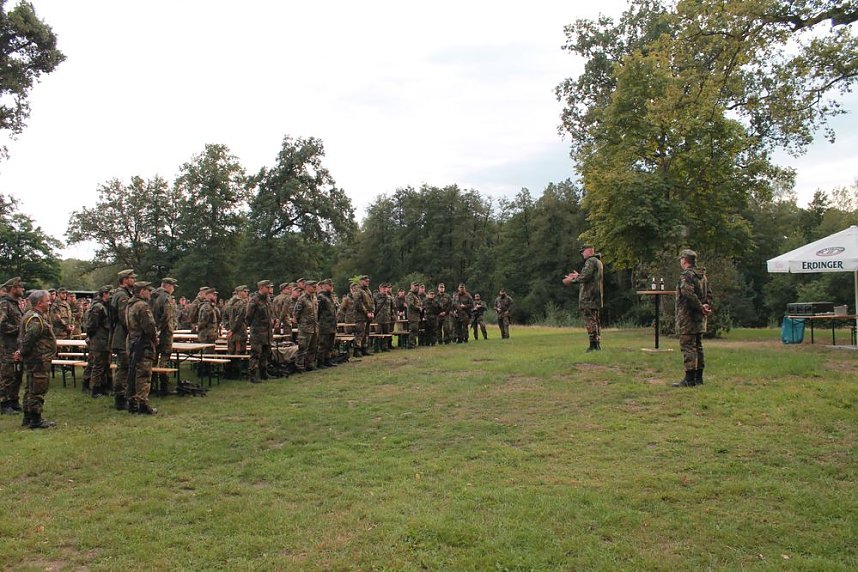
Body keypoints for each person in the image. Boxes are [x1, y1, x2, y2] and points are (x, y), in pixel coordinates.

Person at [673, 249, 713, 387]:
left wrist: (700, 306)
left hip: (688, 318)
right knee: (698, 346)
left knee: (688, 347)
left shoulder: (686, 276)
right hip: (700, 318)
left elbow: (687, 294)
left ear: (684, 260)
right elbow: (709, 293)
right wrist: (706, 305)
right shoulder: (702, 276)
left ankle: (689, 379)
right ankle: (698, 377)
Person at [18, 290, 57, 428]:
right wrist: (22, 352)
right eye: (47, 300)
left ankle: (28, 417)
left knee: (30, 387)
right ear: (40, 303)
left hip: (35, 359)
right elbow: (29, 338)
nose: (50, 302)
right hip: (38, 359)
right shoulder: (36, 319)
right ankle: (36, 419)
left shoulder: (33, 315)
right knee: (37, 388)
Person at [562, 244, 604, 352]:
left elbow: (585, 277)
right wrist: (578, 275)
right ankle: (597, 344)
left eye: (583, 251)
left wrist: (571, 280)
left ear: (589, 251)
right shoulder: (598, 261)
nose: (582, 253)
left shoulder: (590, 261)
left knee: (590, 320)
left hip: (589, 297)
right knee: (596, 320)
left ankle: (593, 345)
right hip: (596, 296)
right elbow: (589, 276)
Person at [125, 282, 158, 414]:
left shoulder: (129, 305)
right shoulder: (142, 306)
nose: (149, 293)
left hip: (132, 341)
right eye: (147, 290)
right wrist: (155, 340)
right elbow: (149, 326)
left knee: (134, 372)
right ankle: (142, 404)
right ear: (142, 291)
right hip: (143, 343)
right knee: (144, 374)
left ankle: (132, 402)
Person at [110, 269, 136, 411]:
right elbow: (125, 317)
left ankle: (124, 396)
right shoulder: (122, 296)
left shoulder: (123, 294)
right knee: (123, 367)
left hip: (124, 335)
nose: (134, 280)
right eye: (132, 278)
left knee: (125, 367)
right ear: (125, 279)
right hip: (122, 336)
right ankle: (120, 398)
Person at [0, 277, 25, 414]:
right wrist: (19, 329)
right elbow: (2, 325)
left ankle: (14, 400)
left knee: (17, 373)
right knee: (7, 375)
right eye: (20, 287)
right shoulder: (5, 304)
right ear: (13, 288)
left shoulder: (14, 304)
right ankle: (4, 403)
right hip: (7, 346)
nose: (22, 289)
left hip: (16, 345)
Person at [150, 277, 178, 395]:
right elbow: (166, 316)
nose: (173, 289)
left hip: (153, 331)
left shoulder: (152, 296)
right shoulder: (166, 298)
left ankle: (151, 385)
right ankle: (164, 387)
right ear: (167, 285)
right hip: (165, 333)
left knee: (153, 358)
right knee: (165, 357)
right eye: (172, 286)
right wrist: (160, 330)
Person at [85, 285, 113, 398]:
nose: (111, 296)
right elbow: (92, 325)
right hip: (99, 339)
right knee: (98, 365)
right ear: (104, 294)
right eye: (109, 293)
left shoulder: (106, 306)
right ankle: (95, 389)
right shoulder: (98, 307)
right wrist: (92, 338)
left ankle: (103, 387)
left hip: (106, 339)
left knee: (106, 364)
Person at [245, 280, 274, 383]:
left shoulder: (268, 299)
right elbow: (248, 317)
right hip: (257, 332)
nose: (269, 289)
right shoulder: (254, 300)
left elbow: (271, 313)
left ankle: (263, 373)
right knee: (255, 354)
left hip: (267, 332)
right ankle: (252, 374)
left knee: (266, 353)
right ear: (261, 288)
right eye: (267, 287)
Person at [293, 280, 320, 372]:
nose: (315, 288)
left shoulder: (314, 298)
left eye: (315, 287)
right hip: (305, 327)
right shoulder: (302, 299)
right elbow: (296, 313)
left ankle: (310, 364)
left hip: (314, 327)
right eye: (313, 287)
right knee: (303, 347)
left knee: (313, 347)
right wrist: (301, 323)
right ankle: (299, 365)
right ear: (307, 287)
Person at [316, 279, 338, 368]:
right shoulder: (321, 297)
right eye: (330, 285)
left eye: (332, 285)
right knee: (323, 344)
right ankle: (320, 362)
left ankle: (327, 360)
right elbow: (318, 311)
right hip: (324, 325)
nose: (332, 287)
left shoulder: (330, 297)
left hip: (332, 324)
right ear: (325, 286)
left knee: (330, 344)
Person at [353, 275, 375, 356]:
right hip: (360, 316)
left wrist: (372, 311)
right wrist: (366, 312)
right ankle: (357, 350)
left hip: (368, 316)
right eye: (365, 281)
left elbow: (372, 302)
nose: (367, 282)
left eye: (368, 281)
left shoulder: (368, 290)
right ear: (360, 281)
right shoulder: (358, 290)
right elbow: (358, 303)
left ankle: (364, 348)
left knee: (366, 333)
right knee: (360, 333)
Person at [405, 282, 422, 349]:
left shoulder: (416, 295)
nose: (416, 287)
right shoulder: (410, 295)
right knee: (413, 330)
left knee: (415, 330)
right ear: (411, 286)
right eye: (415, 286)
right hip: (412, 315)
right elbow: (411, 305)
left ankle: (413, 343)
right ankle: (411, 344)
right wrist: (418, 308)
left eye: (417, 286)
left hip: (416, 315)